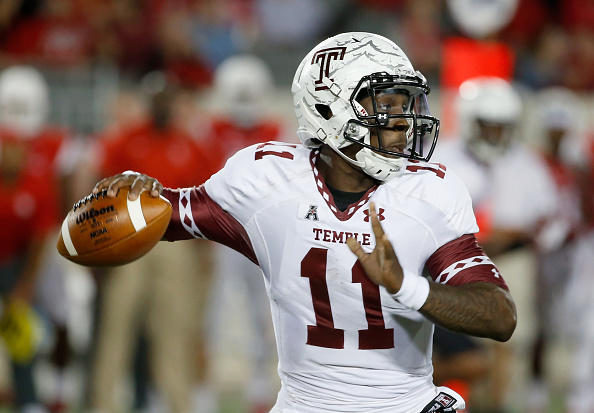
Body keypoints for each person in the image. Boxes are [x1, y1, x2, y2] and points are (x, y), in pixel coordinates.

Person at [93, 32, 517, 413]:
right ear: (328, 108)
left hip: (402, 405)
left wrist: (405, 285)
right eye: (385, 105)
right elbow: (168, 214)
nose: (403, 121)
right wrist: (132, 195)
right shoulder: (265, 181)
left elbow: (499, 317)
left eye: (406, 105)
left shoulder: (429, 192)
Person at [87, 75, 217, 413]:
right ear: (149, 102)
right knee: (116, 329)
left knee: (173, 334)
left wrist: (204, 254)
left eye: (166, 99)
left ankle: (178, 404)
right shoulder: (125, 141)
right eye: (156, 99)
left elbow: (205, 204)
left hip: (174, 244)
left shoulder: (190, 145)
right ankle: (102, 404)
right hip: (129, 239)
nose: (161, 106)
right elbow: (97, 192)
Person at [433, 76, 560, 413]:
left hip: (511, 260)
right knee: (459, 342)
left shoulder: (527, 164)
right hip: (453, 260)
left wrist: (517, 232)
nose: (495, 133)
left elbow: (551, 220)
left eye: (502, 126)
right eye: (488, 125)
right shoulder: (444, 156)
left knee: (511, 341)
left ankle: (503, 405)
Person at [205, 54, 289, 412]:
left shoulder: (276, 131)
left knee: (265, 313)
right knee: (214, 313)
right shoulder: (209, 130)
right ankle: (205, 387)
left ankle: (260, 388)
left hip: (261, 234)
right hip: (220, 233)